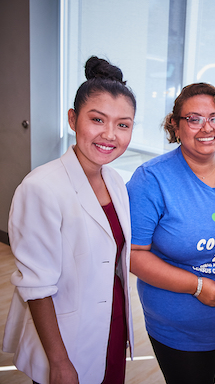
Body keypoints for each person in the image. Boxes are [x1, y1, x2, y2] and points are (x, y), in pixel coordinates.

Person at [127, 82, 215, 384]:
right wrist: (196, 286)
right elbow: (134, 255)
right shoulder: (151, 179)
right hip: (181, 333)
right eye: (193, 119)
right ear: (176, 127)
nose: (206, 127)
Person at [2, 56, 136, 384]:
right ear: (73, 120)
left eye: (123, 124)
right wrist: (60, 363)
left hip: (111, 320)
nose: (110, 135)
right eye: (97, 120)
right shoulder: (41, 187)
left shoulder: (115, 181)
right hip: (65, 336)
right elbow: (37, 287)